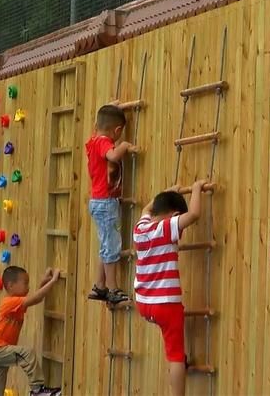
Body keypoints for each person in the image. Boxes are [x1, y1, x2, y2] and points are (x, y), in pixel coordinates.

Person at [133, 180, 208, 396]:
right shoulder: (166, 227)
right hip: (165, 305)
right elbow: (193, 214)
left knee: (172, 344)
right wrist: (196, 189)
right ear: (174, 215)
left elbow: (147, 208)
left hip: (144, 304)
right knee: (175, 356)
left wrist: (165, 192)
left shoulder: (140, 229)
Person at [85, 104, 140, 303]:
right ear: (116, 131)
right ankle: (113, 289)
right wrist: (124, 146)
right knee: (112, 247)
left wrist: (112, 105)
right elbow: (113, 155)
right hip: (106, 203)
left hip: (99, 201)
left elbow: (99, 121)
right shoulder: (103, 142)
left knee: (106, 245)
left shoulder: (93, 140)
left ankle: (99, 286)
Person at [0, 266, 62, 396]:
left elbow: (37, 298)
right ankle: (37, 391)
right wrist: (53, 281)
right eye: (25, 283)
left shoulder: (17, 303)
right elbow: (36, 298)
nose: (28, 287)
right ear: (11, 286)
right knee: (27, 353)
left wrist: (45, 282)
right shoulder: (9, 302)